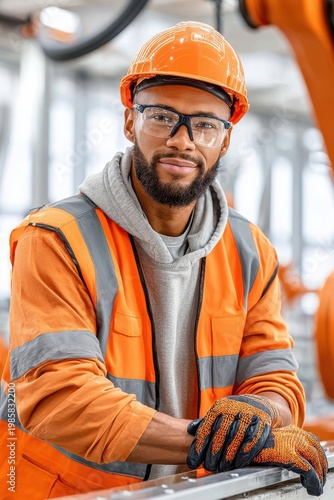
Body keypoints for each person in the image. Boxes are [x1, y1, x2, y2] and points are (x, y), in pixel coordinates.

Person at [0, 20, 328, 499]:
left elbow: (275, 377)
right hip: (70, 493)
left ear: (225, 139)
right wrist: (212, 443)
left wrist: (261, 414)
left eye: (205, 124)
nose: (183, 140)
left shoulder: (250, 249)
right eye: (162, 116)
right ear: (130, 121)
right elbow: (60, 398)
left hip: (195, 493)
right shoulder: (55, 238)